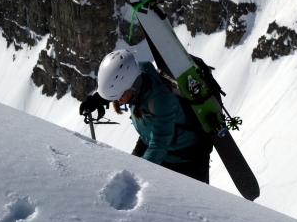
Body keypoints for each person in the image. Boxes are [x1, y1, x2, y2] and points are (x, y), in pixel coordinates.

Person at [79, 50, 213, 183]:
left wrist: (139, 174)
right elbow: (119, 83)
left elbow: (159, 145)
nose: (118, 100)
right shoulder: (138, 74)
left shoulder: (164, 101)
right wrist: (98, 99)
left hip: (187, 160)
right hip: (148, 139)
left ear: (132, 85)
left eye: (119, 95)